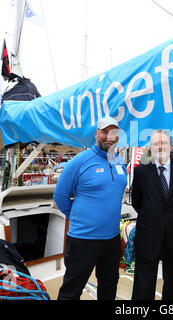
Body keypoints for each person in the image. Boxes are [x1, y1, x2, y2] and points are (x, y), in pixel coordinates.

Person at [53, 117, 127, 300]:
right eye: (105, 132)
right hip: (83, 240)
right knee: (71, 291)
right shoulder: (80, 161)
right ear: (96, 134)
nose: (109, 137)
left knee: (109, 288)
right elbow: (60, 196)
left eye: (114, 133)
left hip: (112, 240)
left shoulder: (120, 162)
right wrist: (78, 218)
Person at [131, 130, 173, 300]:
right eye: (156, 143)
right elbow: (137, 201)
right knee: (144, 280)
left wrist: (170, 216)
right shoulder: (141, 171)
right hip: (148, 232)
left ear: (171, 146)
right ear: (150, 147)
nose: (160, 146)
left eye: (164, 143)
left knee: (172, 280)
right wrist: (154, 216)